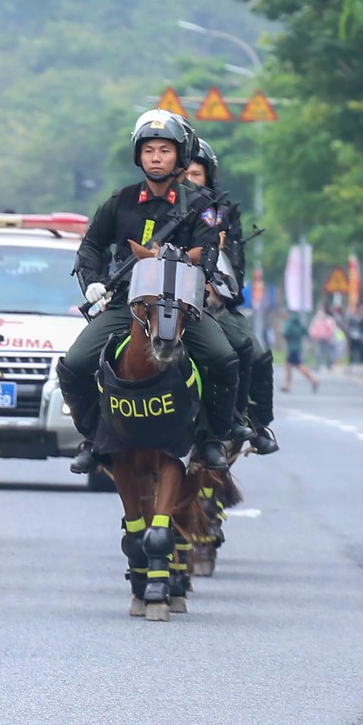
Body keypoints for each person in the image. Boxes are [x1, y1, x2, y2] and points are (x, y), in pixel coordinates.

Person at [60, 108, 242, 479]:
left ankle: (212, 438)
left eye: (164, 150)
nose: (155, 158)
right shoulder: (119, 201)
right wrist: (93, 280)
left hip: (180, 305)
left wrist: (172, 260)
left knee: (223, 358)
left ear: (181, 156)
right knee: (75, 364)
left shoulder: (200, 206)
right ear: (138, 156)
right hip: (129, 303)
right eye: (148, 151)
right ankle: (94, 439)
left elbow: (208, 253)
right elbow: (91, 248)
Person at [186, 137, 277, 454]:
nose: (189, 180)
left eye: (196, 174)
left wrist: (218, 257)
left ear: (209, 176)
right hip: (162, 302)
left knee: (252, 350)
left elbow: (235, 270)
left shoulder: (220, 214)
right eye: (184, 172)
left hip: (214, 304)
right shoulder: (157, 207)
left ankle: (252, 421)